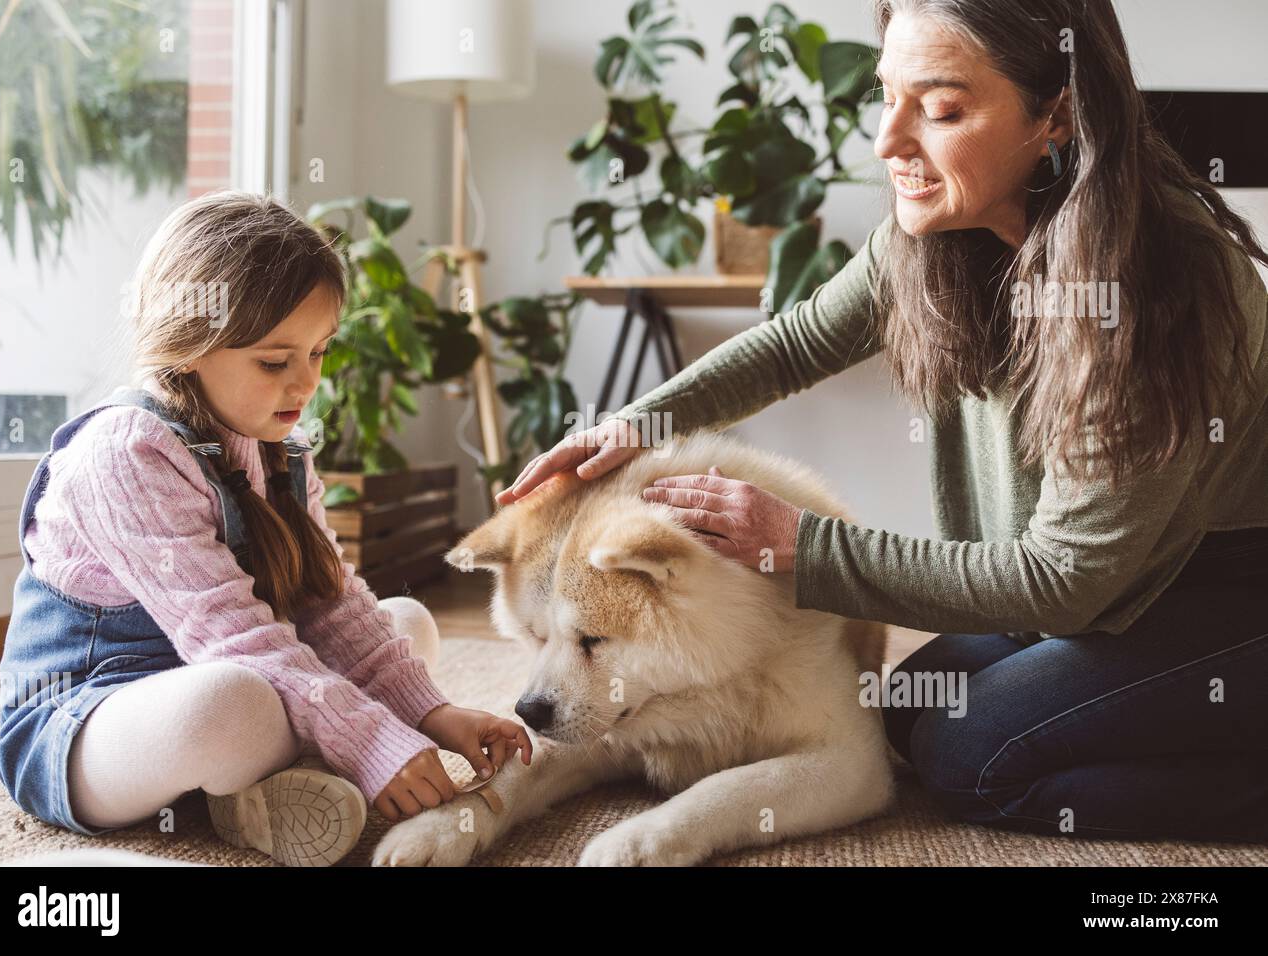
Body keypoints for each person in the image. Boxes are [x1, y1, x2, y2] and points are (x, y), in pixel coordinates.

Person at [495, 0, 1268, 843]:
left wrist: (801, 545)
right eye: (886, 94)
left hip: (1224, 595)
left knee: (975, 757)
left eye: (939, 109)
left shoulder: (1156, 291)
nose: (887, 141)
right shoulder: (936, 234)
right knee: (902, 710)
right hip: (1102, 597)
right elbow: (794, 344)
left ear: (1059, 114)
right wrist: (634, 426)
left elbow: (1063, 581)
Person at [0, 190, 531, 866]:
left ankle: (255, 794)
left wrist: (431, 714)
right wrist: (371, 740)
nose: (306, 383)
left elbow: (329, 601)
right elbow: (233, 640)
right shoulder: (126, 452)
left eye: (320, 351)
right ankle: (284, 766)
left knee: (406, 623)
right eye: (276, 362)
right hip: (90, 726)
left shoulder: (277, 443)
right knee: (231, 703)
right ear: (188, 344)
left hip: (234, 673)